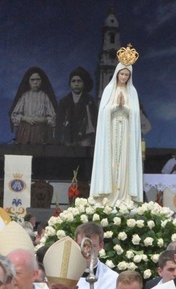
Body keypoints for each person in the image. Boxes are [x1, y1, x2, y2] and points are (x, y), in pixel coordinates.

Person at [90, 54, 143, 204]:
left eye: (127, 74)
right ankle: (109, 197)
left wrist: (125, 107)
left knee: (125, 162)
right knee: (111, 161)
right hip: (111, 132)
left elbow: (135, 114)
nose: (124, 77)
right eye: (122, 74)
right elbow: (103, 112)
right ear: (117, 74)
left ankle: (124, 197)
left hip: (126, 132)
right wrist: (115, 107)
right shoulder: (109, 90)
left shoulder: (132, 92)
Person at [9, 66, 57, 144]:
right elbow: (14, 116)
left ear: (42, 81)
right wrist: (25, 118)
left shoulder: (45, 96)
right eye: (32, 80)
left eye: (38, 79)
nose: (35, 82)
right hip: (25, 132)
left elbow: (53, 117)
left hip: (42, 132)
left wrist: (44, 120)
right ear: (28, 81)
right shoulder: (24, 96)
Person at [56, 66, 98, 146]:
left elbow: (94, 121)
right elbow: (59, 122)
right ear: (70, 84)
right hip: (67, 138)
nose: (76, 84)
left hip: (85, 138)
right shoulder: (64, 102)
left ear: (84, 83)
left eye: (79, 81)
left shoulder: (90, 101)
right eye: (73, 81)